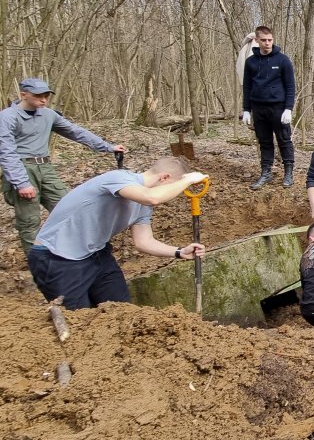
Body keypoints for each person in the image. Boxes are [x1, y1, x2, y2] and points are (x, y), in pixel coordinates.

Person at [27, 157, 208, 310]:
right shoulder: (118, 178)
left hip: (95, 255)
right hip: (57, 258)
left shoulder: (144, 205)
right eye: (174, 188)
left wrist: (179, 252)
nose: (172, 195)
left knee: (120, 311)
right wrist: (188, 180)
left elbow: (143, 241)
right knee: (78, 322)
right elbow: (152, 196)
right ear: (165, 178)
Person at [0, 78, 126, 255]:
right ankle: (38, 263)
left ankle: (75, 251)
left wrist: (107, 146)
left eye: (46, 95)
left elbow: (76, 132)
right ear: (24, 95)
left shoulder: (48, 114)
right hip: (23, 168)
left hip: (45, 167)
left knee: (70, 205)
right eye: (38, 95)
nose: (43, 99)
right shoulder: (7, 117)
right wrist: (21, 183)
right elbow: (6, 151)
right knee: (29, 220)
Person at [242, 25, 296, 190]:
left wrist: (288, 108)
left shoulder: (282, 60)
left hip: (278, 107)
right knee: (265, 142)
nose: (267, 43)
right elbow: (247, 87)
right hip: (259, 108)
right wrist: (246, 109)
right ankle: (266, 172)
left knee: (284, 140)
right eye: (264, 40)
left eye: (270, 40)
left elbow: (290, 86)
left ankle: (288, 172)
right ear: (257, 40)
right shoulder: (251, 62)